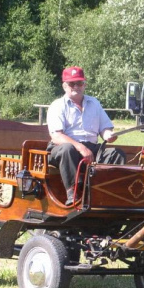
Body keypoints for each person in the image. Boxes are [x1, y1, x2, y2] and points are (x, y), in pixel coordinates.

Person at [47, 66, 125, 205]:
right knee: (67, 149)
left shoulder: (94, 103)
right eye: (72, 83)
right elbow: (57, 136)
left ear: (85, 85)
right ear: (64, 86)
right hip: (63, 150)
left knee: (116, 154)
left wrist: (108, 135)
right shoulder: (57, 106)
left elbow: (105, 127)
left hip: (91, 148)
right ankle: (73, 194)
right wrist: (81, 148)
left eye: (79, 83)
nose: (76, 86)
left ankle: (105, 193)